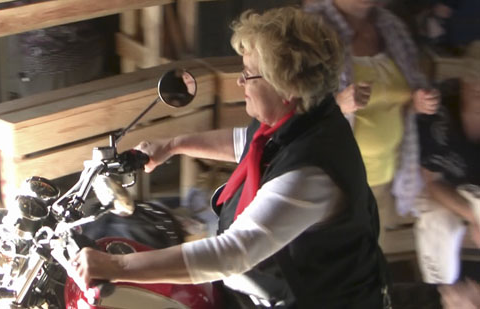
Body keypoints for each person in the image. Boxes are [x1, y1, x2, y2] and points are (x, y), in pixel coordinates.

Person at [71, 7, 388, 308]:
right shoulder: (298, 118)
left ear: (287, 87)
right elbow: (245, 144)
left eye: (249, 74)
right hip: (265, 288)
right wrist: (173, 145)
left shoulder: (309, 174)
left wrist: (117, 266)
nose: (240, 82)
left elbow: (231, 254)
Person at [305, 0, 440, 248]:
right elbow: (293, 103)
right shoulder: (311, 27)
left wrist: (418, 101)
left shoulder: (391, 27)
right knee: (329, 268)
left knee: (369, 264)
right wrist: (338, 104)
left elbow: (406, 88)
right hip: (334, 181)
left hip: (386, 177)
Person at [414, 41, 480, 284]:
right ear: (464, 78)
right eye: (474, 78)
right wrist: (473, 218)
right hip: (443, 189)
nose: (479, 87)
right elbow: (432, 182)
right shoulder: (438, 111)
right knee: (441, 224)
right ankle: (444, 290)